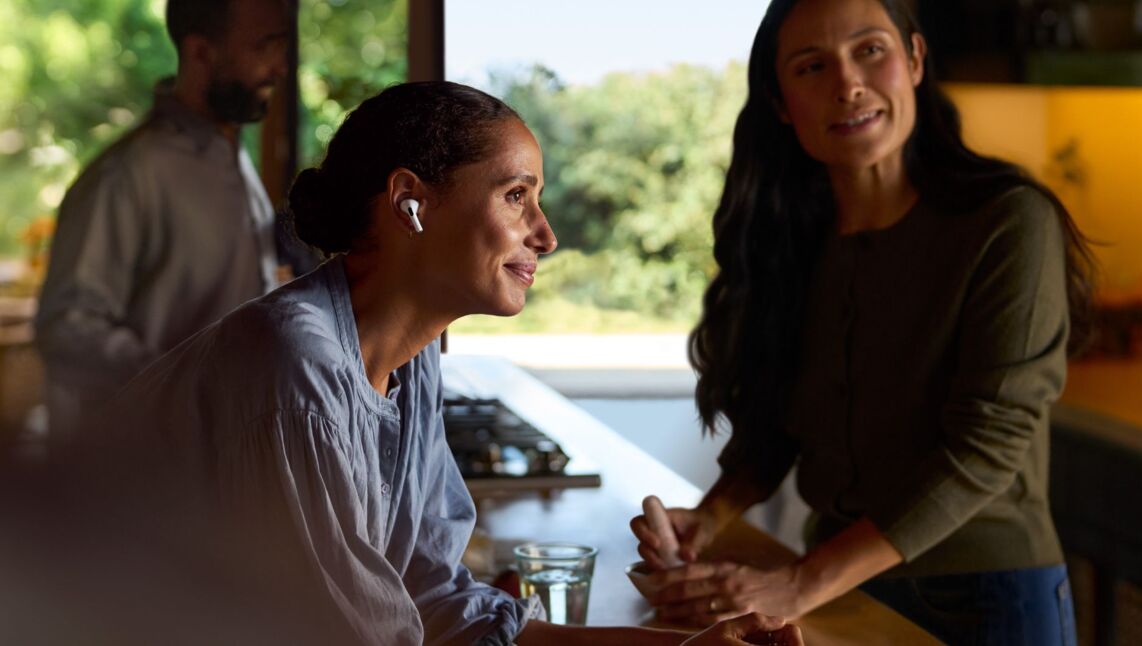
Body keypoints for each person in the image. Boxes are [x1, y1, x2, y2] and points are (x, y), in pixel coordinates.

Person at [97, 81, 802, 646]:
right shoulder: (296, 369)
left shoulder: (413, 359)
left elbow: (437, 603)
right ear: (411, 203)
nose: (546, 234)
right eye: (516, 195)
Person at [630, 1, 1092, 644]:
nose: (847, 84)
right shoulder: (790, 241)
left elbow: (986, 449)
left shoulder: (1010, 222)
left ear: (915, 60)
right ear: (781, 102)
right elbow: (780, 425)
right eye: (812, 66)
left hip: (992, 599)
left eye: (870, 50)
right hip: (843, 593)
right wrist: (708, 518)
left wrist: (799, 584)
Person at [34, 0, 315, 440]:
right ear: (201, 52)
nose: (281, 67)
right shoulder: (126, 175)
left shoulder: (236, 159)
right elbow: (66, 328)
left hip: (231, 460)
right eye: (266, 46)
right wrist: (185, 384)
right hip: (150, 477)